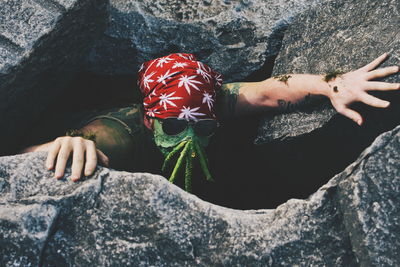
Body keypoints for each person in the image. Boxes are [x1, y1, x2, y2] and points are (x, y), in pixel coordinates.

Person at [20, 52, 399, 191]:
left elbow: (270, 90)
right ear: (150, 120)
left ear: (214, 114)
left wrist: (332, 84)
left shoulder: (212, 103)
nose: (188, 137)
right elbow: (23, 157)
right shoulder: (117, 135)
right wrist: (62, 145)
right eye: (172, 126)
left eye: (202, 128)